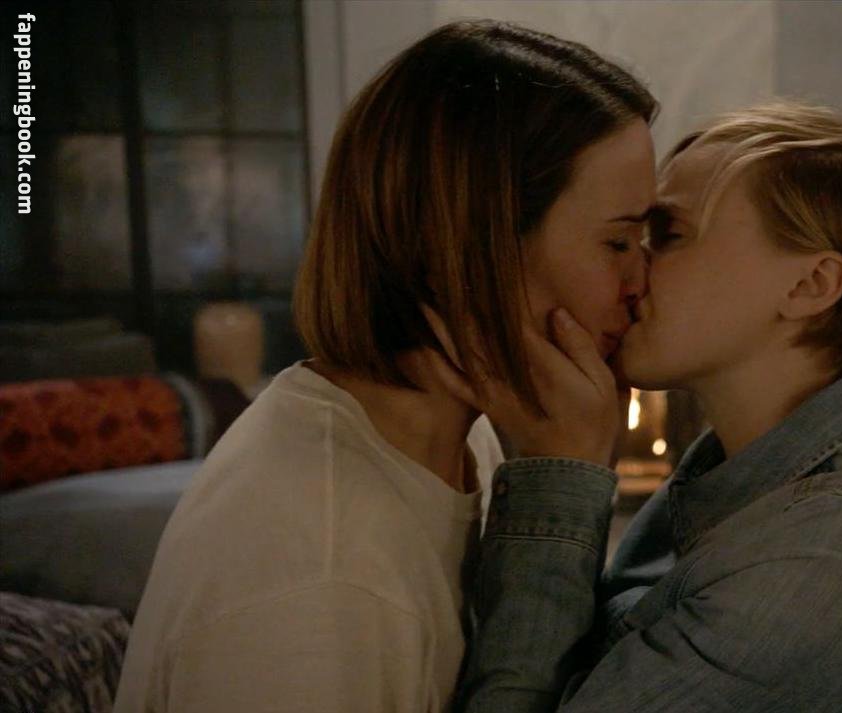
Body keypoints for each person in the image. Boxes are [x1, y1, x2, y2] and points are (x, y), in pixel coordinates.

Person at [113, 20, 656, 712]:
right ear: (476, 245)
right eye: (618, 243)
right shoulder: (318, 581)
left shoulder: (466, 436)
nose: (642, 282)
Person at [441, 103, 842, 712]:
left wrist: (559, 472)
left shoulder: (836, 547)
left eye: (668, 235)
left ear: (809, 286)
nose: (631, 269)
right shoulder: (737, 481)